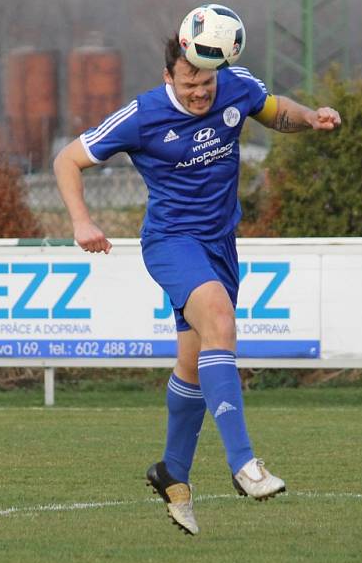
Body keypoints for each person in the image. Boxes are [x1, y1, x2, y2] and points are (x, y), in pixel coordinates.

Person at [54, 33, 341, 536]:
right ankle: (244, 464)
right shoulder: (142, 115)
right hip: (170, 242)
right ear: (169, 77)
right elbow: (66, 160)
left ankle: (172, 471)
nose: (199, 93)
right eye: (188, 83)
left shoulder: (235, 86)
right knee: (221, 320)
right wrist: (81, 221)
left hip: (221, 244)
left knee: (195, 359)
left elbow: (276, 112)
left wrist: (310, 119)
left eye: (205, 82)